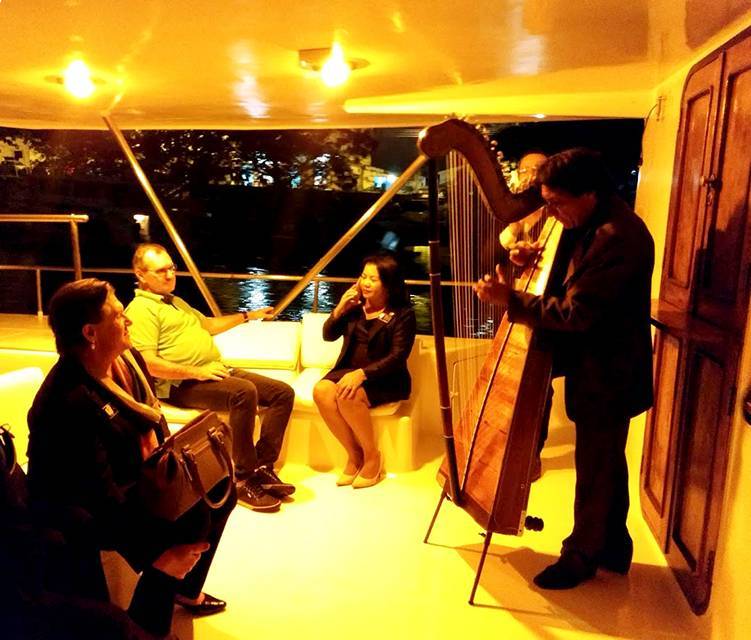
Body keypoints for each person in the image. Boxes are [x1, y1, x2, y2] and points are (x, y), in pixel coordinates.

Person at [474, 148, 654, 590]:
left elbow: (577, 313)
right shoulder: (590, 221)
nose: (550, 213)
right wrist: (528, 259)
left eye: (557, 203)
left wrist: (511, 300)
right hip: (598, 364)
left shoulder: (618, 235)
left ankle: (582, 555)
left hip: (610, 371)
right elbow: (569, 276)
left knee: (596, 464)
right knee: (606, 460)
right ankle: (614, 546)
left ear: (589, 193)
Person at [26, 278, 236, 638]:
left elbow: (152, 423)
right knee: (186, 526)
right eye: (119, 316)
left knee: (221, 489)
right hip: (78, 507)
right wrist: (154, 552)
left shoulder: (127, 361)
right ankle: (144, 627)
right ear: (90, 333)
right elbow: (97, 496)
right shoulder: (70, 400)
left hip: (132, 475)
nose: (129, 321)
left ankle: (184, 589)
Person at [125, 244, 295, 512]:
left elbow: (209, 325)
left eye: (171, 268)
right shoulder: (140, 310)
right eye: (160, 271)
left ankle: (262, 466)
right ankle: (243, 479)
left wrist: (248, 315)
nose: (169, 275)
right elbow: (147, 363)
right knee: (243, 392)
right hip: (180, 384)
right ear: (140, 274)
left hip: (213, 370)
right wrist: (197, 372)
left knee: (282, 393)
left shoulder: (175, 302)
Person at [313, 253, 416, 489]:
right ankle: (354, 454)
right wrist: (340, 308)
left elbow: (398, 355)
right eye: (363, 277)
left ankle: (372, 456)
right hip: (348, 370)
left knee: (347, 395)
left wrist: (362, 374)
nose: (365, 283)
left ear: (388, 284)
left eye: (373, 279)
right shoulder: (354, 307)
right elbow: (328, 335)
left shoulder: (403, 314)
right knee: (321, 391)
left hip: (385, 377)